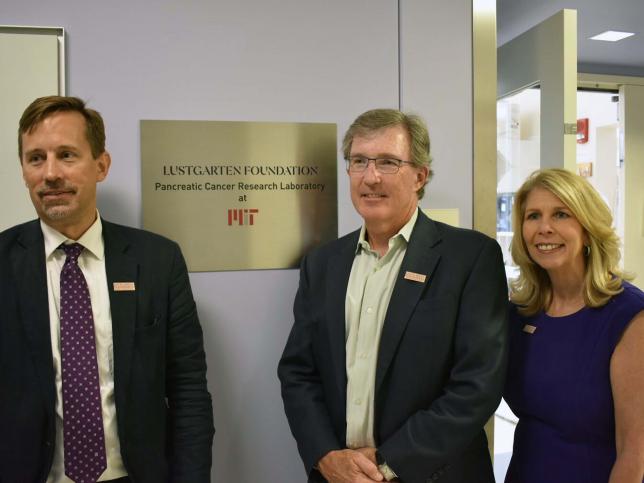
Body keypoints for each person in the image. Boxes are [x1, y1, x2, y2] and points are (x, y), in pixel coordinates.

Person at [277, 108, 508, 483]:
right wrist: (325, 456)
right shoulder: (322, 265)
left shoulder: (470, 258)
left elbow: (477, 386)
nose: (371, 176)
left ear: (420, 176)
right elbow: (298, 373)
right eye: (359, 161)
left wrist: (386, 462)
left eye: (387, 162)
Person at [0, 96, 215, 483]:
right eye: (36, 158)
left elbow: (188, 392)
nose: (50, 174)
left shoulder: (157, 261)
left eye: (67, 155)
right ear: (23, 170)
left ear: (101, 165)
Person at [504, 168, 644, 482]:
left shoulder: (629, 316)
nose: (545, 228)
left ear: (587, 229)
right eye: (533, 216)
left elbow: (635, 454)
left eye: (561, 215)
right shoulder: (521, 312)